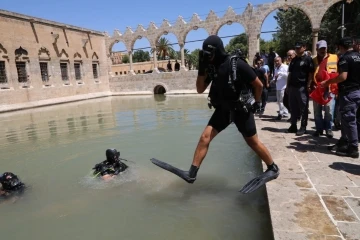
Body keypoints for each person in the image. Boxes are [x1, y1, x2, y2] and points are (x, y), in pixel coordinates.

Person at [150, 35, 279, 194]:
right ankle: (192, 173)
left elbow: (258, 85)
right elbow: (199, 89)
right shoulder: (211, 67)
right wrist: (202, 67)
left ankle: (272, 168)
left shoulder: (236, 63)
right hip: (224, 110)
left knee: (252, 142)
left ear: (217, 51)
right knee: (205, 137)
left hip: (241, 109)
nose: (207, 57)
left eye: (208, 54)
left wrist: (256, 103)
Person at [323, 37, 360, 158]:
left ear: (341, 46)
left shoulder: (345, 58)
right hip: (357, 91)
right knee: (346, 119)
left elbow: (342, 77)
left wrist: (328, 82)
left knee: (349, 120)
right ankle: (344, 141)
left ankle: (353, 147)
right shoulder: (358, 56)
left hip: (349, 92)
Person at [309, 40, 338, 138]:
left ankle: (328, 129)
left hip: (330, 89)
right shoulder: (313, 60)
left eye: (324, 48)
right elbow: (311, 74)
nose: (323, 50)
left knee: (329, 111)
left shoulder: (335, 57)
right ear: (316, 49)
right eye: (321, 48)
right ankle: (319, 129)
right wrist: (310, 85)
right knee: (317, 111)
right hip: (317, 89)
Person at [286, 41, 315, 135]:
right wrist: (287, 86)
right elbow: (290, 73)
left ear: (304, 48)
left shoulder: (308, 59)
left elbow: (311, 74)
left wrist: (308, 85)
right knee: (293, 107)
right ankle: (293, 125)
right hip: (292, 87)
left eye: (299, 47)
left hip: (302, 87)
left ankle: (303, 127)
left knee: (303, 108)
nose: (297, 49)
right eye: (296, 48)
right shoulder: (294, 60)